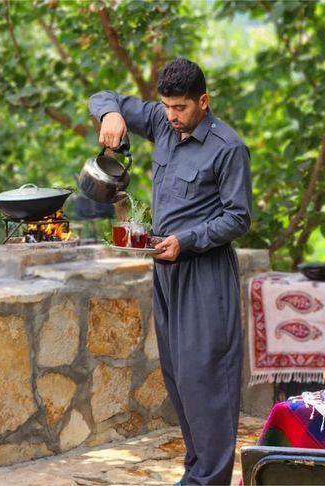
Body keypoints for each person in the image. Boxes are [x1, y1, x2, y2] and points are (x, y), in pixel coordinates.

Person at [89, 58, 252, 485]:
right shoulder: (163, 125)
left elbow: (238, 218)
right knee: (179, 378)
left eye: (180, 108)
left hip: (205, 273)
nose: (172, 116)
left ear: (202, 101)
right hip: (165, 273)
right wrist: (109, 114)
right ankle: (195, 475)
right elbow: (106, 98)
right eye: (166, 107)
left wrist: (188, 239)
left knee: (207, 381)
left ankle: (209, 480)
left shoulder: (228, 147)